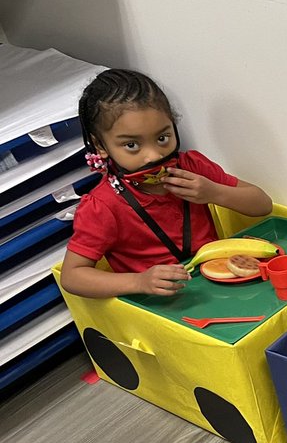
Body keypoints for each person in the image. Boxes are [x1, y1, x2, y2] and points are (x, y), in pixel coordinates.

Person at [60, 69, 273, 298]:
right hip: (157, 307)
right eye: (132, 145)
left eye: (162, 138)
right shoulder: (102, 206)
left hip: (219, 289)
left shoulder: (192, 166)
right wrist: (139, 281)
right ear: (100, 146)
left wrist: (213, 192)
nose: (153, 155)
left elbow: (262, 204)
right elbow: (72, 277)